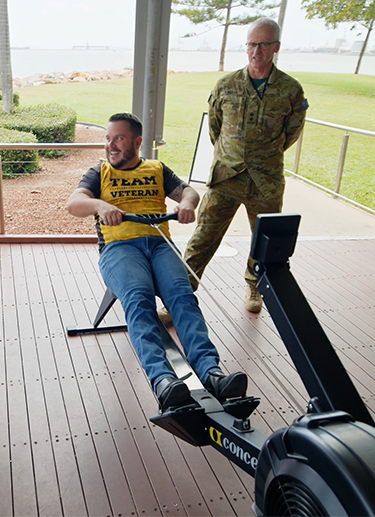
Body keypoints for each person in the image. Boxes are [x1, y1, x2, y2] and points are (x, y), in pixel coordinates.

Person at [66, 112, 247, 412]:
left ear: (137, 142)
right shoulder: (99, 173)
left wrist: (187, 204)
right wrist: (100, 204)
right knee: (139, 300)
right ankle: (163, 380)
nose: (110, 145)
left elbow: (189, 192)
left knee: (183, 299)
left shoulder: (156, 169)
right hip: (120, 248)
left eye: (119, 139)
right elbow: (74, 204)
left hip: (160, 246)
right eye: (108, 139)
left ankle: (211, 373)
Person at [164, 17, 308, 318]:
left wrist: (262, 156)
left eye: (264, 44)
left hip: (265, 180)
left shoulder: (291, 90)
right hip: (226, 177)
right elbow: (215, 127)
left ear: (276, 47)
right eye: (252, 44)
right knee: (203, 236)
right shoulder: (227, 85)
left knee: (264, 241)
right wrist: (233, 154)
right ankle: (181, 294)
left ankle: (254, 284)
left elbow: (291, 132)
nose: (257, 50)